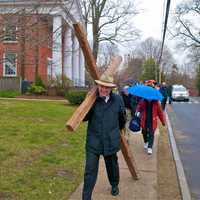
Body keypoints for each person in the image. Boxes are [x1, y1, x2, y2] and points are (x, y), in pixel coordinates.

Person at [82, 74, 126, 200]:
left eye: (107, 87)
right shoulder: (92, 99)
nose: (104, 89)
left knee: (112, 166)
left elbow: (122, 119)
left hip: (111, 140)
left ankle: (114, 185)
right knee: (90, 171)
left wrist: (117, 132)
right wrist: (86, 103)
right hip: (93, 141)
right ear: (98, 86)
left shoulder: (117, 99)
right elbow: (84, 118)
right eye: (102, 86)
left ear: (111, 88)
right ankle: (86, 197)